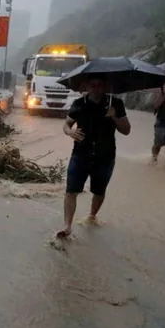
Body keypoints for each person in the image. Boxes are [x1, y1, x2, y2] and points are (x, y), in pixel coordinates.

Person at [57, 76, 131, 238]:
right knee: (71, 190)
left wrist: (114, 117)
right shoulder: (79, 104)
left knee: (99, 191)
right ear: (86, 86)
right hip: (80, 153)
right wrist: (70, 132)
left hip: (105, 155)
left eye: (99, 86)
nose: (96, 89)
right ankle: (67, 226)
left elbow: (126, 130)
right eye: (92, 85)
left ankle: (92, 216)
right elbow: (66, 124)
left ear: (105, 86)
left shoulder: (115, 104)